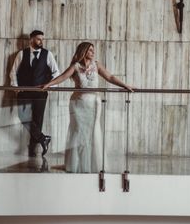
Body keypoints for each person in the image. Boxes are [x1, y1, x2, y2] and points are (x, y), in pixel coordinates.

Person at [42, 42, 133, 173]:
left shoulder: (97, 65)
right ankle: (76, 164)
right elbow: (62, 77)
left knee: (92, 133)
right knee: (79, 132)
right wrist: (48, 84)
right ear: (84, 51)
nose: (93, 52)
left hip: (93, 105)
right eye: (90, 50)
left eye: (93, 50)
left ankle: (93, 165)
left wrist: (125, 86)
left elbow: (110, 77)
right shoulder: (76, 66)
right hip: (78, 104)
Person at [9, 30, 59, 157]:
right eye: (38, 39)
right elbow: (13, 72)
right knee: (23, 117)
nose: (41, 41)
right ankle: (43, 139)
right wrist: (15, 87)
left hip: (40, 93)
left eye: (42, 39)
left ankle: (33, 150)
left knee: (37, 120)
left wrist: (50, 86)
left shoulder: (48, 54)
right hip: (24, 92)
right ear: (31, 40)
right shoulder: (22, 54)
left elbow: (56, 73)